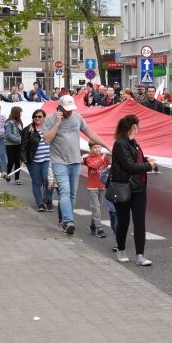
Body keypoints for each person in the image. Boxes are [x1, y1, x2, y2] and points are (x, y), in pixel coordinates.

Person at [43, 95, 110, 236]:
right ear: (60, 108)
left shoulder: (77, 118)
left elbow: (90, 133)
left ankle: (67, 221)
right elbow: (47, 139)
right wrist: (57, 122)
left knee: (72, 193)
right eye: (67, 110)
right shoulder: (50, 120)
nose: (70, 112)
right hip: (59, 162)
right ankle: (68, 221)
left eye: (71, 109)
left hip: (75, 161)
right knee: (65, 191)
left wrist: (107, 146)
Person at [110, 114, 156, 266]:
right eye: (138, 125)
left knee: (140, 221)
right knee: (123, 221)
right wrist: (149, 166)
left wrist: (146, 160)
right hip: (124, 187)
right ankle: (121, 249)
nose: (140, 127)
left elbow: (135, 160)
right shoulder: (120, 144)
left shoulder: (133, 143)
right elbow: (130, 166)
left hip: (139, 188)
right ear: (134, 127)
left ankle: (140, 255)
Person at [21, 109, 54, 212]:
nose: (37, 118)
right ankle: (40, 203)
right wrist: (24, 159)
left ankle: (48, 201)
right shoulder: (28, 129)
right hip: (33, 160)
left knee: (48, 180)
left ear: (44, 117)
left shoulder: (50, 128)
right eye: (35, 116)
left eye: (40, 116)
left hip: (48, 160)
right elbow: (23, 146)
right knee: (36, 182)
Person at [83, 142, 111, 238]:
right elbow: (94, 166)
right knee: (96, 207)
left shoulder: (105, 158)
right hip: (92, 187)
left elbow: (112, 164)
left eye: (99, 147)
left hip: (102, 186)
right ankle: (99, 228)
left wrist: (111, 156)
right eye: (95, 147)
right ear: (90, 149)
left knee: (98, 209)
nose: (98, 149)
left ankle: (92, 226)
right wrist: (103, 157)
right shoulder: (88, 158)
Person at [3, 105, 24, 184]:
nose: (21, 113)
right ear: (16, 113)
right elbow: (8, 134)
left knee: (17, 161)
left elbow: (21, 132)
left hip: (19, 144)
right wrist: (18, 139)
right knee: (11, 161)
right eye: (20, 112)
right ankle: (8, 175)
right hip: (10, 144)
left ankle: (17, 179)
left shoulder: (19, 121)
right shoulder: (9, 122)